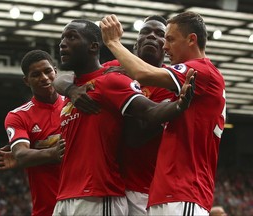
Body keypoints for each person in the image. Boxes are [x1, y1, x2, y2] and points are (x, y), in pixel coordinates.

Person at [52, 19, 195, 216]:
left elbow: (135, 138)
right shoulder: (112, 69)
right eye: (145, 31)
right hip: (104, 183)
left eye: (159, 34)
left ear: (166, 49)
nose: (152, 36)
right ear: (134, 45)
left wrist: (120, 100)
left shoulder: (168, 88)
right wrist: (72, 90)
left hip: (142, 188)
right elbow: (66, 77)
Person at [100, 11, 226, 215]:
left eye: (169, 39)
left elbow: (143, 74)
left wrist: (113, 42)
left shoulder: (201, 71)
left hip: (183, 191)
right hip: (166, 192)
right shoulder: (190, 78)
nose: (165, 47)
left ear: (191, 39)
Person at [0, 50, 65, 216]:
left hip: (85, 202)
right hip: (47, 209)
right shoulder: (18, 116)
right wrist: (53, 152)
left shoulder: (76, 103)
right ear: (26, 81)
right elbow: (21, 154)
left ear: (55, 71)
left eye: (47, 71)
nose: (44, 78)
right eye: (35, 74)